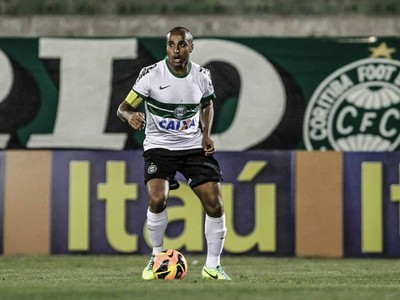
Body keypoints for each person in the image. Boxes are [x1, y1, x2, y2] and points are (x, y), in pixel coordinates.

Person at [117, 26, 231, 280]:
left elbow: (207, 104)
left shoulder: (202, 75)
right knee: (157, 199)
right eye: (171, 45)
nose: (176, 50)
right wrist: (129, 116)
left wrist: (206, 134)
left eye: (181, 45)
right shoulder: (151, 75)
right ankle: (157, 257)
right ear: (166, 47)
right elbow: (123, 107)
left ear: (191, 47)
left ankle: (213, 266)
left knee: (214, 202)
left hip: (192, 146)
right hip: (159, 147)